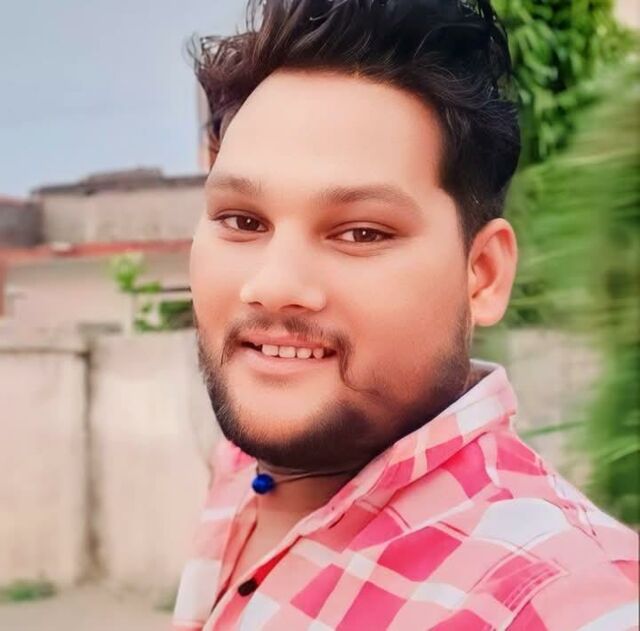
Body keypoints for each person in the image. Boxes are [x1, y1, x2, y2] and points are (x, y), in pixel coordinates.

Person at [173, 1, 639, 629]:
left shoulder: (555, 599)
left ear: (483, 274)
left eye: (361, 232)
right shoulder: (249, 466)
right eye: (242, 220)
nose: (273, 285)